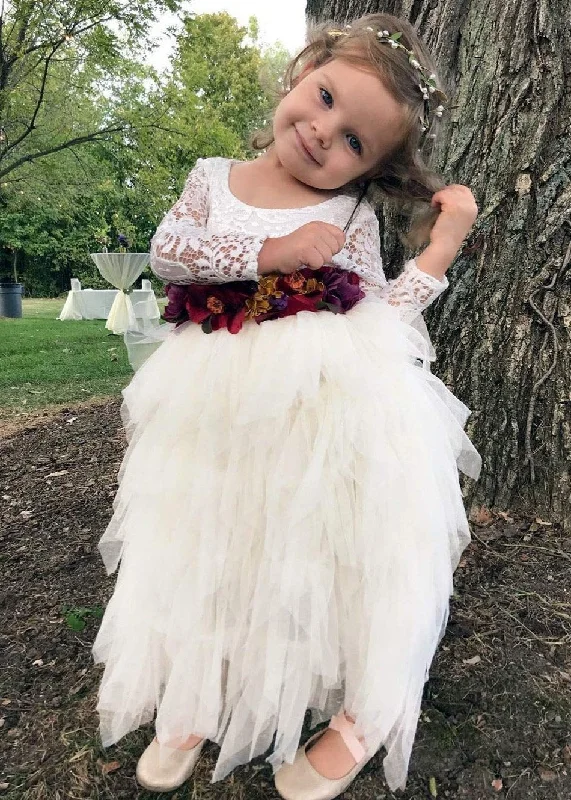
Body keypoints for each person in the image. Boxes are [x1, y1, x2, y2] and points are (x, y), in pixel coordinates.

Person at [92, 13, 482, 800]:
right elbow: (171, 250)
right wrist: (271, 254)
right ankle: (200, 684)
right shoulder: (212, 176)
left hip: (320, 418)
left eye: (353, 142)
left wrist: (439, 251)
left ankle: (359, 711)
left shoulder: (351, 216)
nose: (322, 132)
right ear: (299, 72)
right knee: (206, 536)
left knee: (305, 550)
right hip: (213, 410)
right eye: (325, 97)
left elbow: (380, 316)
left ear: (369, 168)